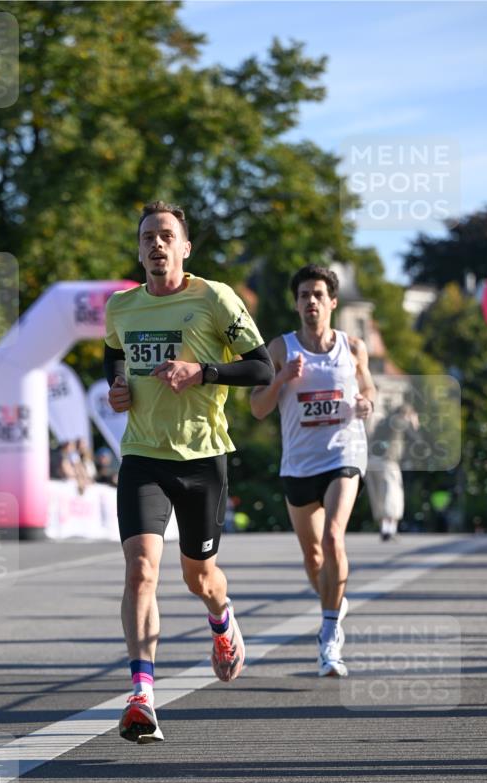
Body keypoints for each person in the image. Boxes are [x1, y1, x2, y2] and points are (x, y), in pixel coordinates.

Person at [104, 199, 274, 744]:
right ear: (139, 248)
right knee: (141, 571)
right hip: (143, 455)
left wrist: (201, 371)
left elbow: (261, 367)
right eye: (147, 235)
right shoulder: (121, 307)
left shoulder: (214, 298)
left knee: (198, 577)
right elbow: (113, 354)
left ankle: (222, 619)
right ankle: (141, 694)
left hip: (202, 457)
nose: (156, 244)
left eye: (166, 235)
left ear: (184, 247)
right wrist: (118, 387)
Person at [251, 264, 376, 678]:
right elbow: (257, 407)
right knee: (313, 556)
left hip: (344, 454)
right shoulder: (281, 350)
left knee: (333, 535)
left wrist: (366, 404)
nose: (311, 302)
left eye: (318, 295)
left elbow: (368, 387)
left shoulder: (353, 347)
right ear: (296, 304)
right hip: (299, 464)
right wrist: (281, 379)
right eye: (304, 295)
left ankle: (328, 633)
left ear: (332, 302)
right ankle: (332, 601)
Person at [365, 401, 419, 540]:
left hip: (371, 461)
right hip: (387, 462)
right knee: (392, 494)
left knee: (378, 496)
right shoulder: (400, 421)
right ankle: (390, 529)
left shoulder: (383, 421)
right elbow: (415, 439)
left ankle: (384, 527)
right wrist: (414, 424)